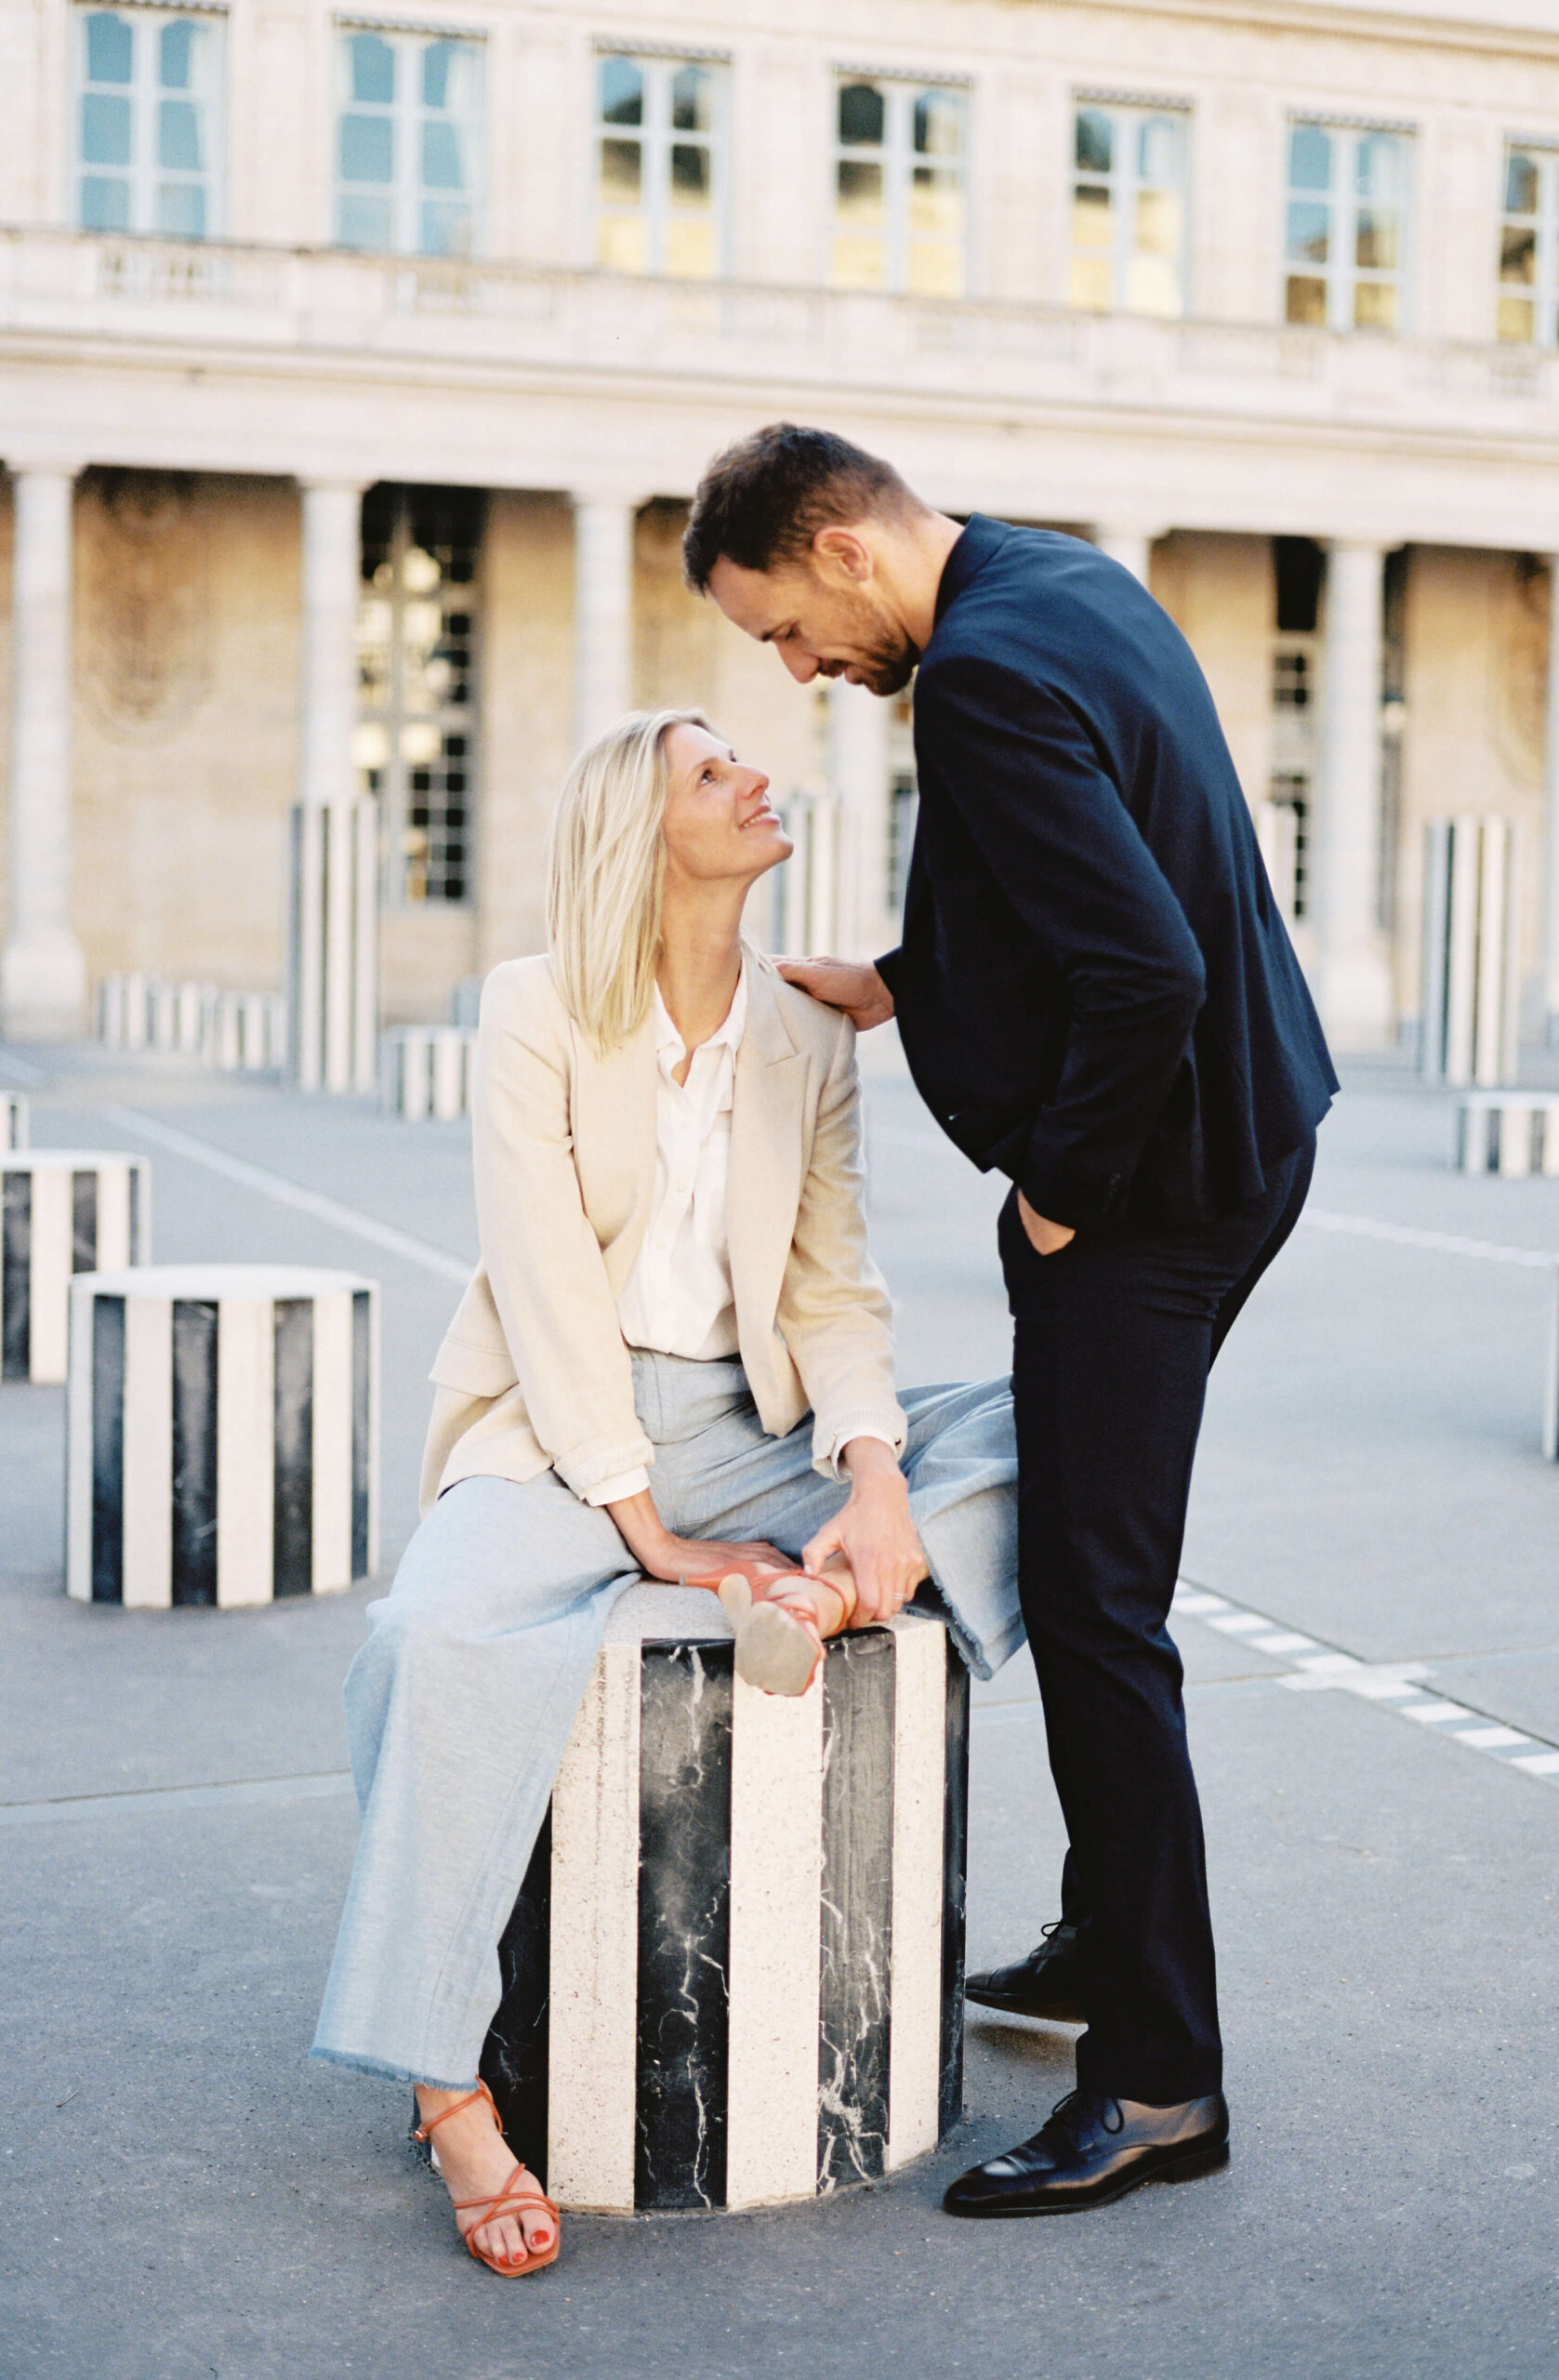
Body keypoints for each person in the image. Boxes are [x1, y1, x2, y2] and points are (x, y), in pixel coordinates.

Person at [684, 425, 1338, 2218]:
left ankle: (1156, 2084)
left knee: (1096, 1609)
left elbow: (1144, 961)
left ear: (836, 550)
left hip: (1147, 1191)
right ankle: (1104, 1940)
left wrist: (1055, 1189)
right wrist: (898, 983)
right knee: (1091, 1573)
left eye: (786, 637)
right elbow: (1101, 860)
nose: (803, 676)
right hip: (1252, 1135)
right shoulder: (1058, 577)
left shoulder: (970, 673)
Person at [311, 707, 1022, 2274]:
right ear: (643, 830)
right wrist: (654, 1535)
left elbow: (833, 1285)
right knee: (425, 1639)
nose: (757, 778)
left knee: (1062, 1417)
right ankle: (450, 2093)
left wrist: (873, 1478)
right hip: (566, 1418)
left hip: (748, 1423)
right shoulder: (535, 1008)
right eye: (714, 771)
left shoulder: (808, 1031)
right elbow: (544, 1273)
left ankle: (830, 1586)